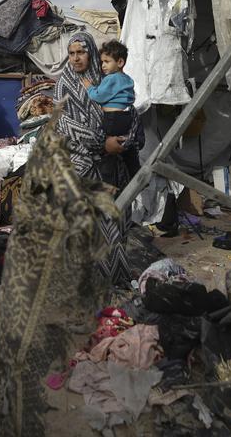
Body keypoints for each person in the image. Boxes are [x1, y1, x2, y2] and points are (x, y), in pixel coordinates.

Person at [54, 31, 143, 284]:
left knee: (113, 223)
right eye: (71, 54)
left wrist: (125, 141)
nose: (75, 58)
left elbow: (130, 111)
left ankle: (113, 279)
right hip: (81, 164)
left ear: (91, 52)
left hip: (112, 167)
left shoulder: (106, 76)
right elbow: (63, 124)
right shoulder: (64, 84)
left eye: (81, 52)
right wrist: (101, 142)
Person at [81, 39, 141, 187]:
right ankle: (136, 174)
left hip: (112, 118)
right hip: (125, 117)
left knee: (106, 147)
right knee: (127, 150)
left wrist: (89, 87)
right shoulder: (127, 79)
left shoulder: (111, 79)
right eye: (102, 62)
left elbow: (98, 96)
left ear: (120, 62)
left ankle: (107, 177)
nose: (103, 66)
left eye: (107, 62)